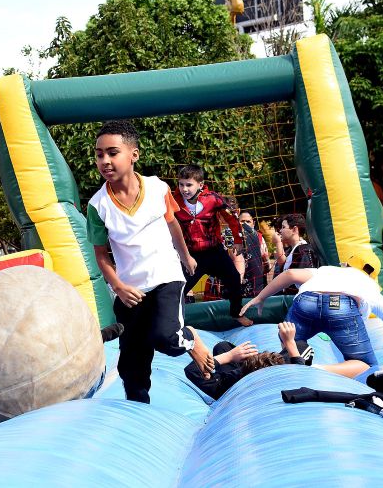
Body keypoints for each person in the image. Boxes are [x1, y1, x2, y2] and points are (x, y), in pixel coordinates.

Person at [86, 120, 214, 404]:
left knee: (166, 337)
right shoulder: (98, 205)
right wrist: (118, 286)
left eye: (113, 153)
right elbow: (101, 254)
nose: (105, 161)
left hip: (166, 276)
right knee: (131, 364)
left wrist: (186, 256)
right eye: (99, 154)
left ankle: (190, 338)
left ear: (134, 154)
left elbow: (172, 224)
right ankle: (139, 408)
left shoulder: (158, 188)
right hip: (131, 289)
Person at [240, 250, 383, 366]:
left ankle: (291, 357)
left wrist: (261, 297)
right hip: (342, 306)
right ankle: (318, 369)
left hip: (307, 301)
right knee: (366, 365)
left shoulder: (328, 270)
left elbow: (290, 274)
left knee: (289, 340)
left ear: (346, 265)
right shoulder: (369, 286)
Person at [184, 322, 369, 400]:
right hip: (281, 371)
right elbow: (299, 371)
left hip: (244, 379)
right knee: (301, 347)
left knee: (222, 348)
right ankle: (297, 358)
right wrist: (289, 342)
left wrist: (229, 357)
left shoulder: (229, 382)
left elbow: (192, 370)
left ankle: (237, 356)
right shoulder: (289, 373)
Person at [172, 164, 249, 326]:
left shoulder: (212, 199)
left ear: (200, 185)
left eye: (189, 185)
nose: (184, 189)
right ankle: (173, 322)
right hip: (191, 255)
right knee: (179, 289)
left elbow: (232, 218)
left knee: (234, 278)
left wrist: (238, 240)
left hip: (214, 251)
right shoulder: (174, 201)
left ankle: (236, 313)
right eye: (181, 184)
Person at [271, 213, 320, 286]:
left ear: (294, 229)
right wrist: (278, 243)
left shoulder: (304, 250)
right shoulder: (293, 249)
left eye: (283, 227)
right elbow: (283, 267)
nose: (280, 230)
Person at [238, 211, 270, 297]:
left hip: (255, 282)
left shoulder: (259, 238)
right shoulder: (232, 237)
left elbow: (267, 266)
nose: (245, 224)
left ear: (253, 223)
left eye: (248, 221)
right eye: (242, 221)